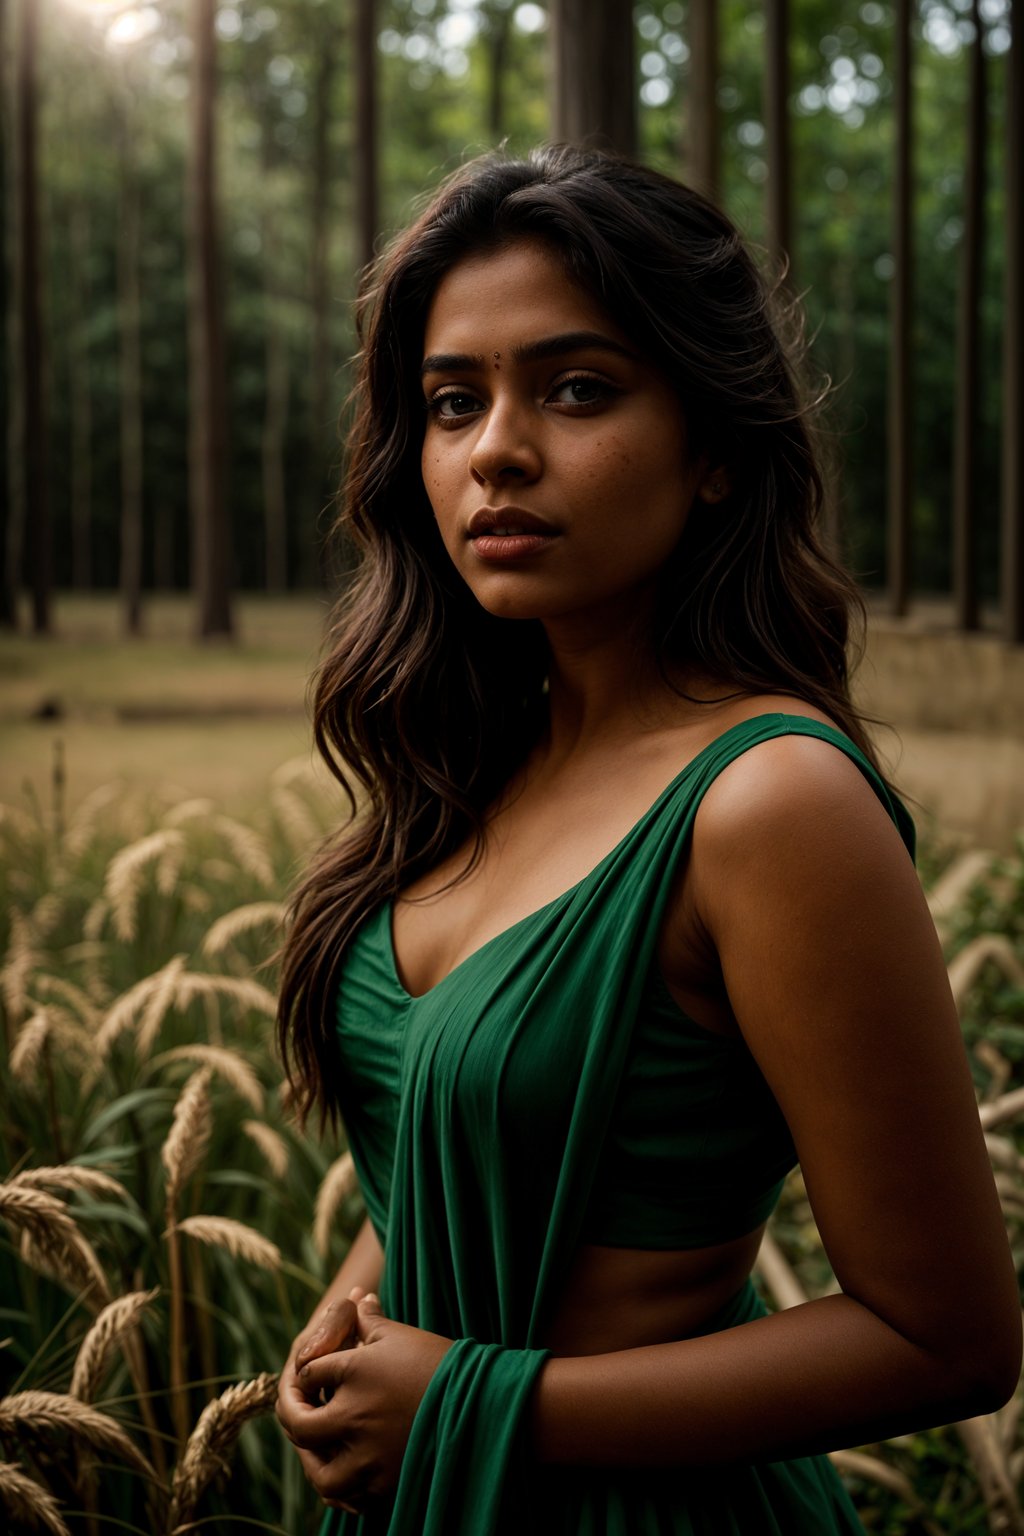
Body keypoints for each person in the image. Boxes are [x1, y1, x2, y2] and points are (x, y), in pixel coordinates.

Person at [274, 145, 1020, 1535]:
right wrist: (354, 1313)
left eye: (576, 388)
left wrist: (474, 1408)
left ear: (718, 450)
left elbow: (952, 1339)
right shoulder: (470, 772)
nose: (495, 447)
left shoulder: (770, 804)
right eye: (451, 402)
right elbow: (478, 1121)